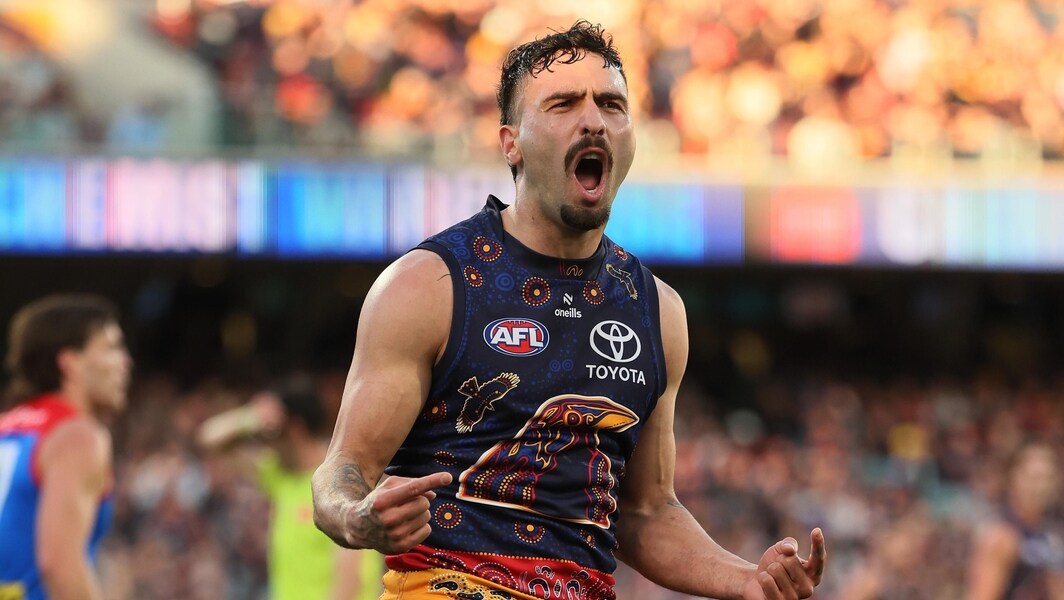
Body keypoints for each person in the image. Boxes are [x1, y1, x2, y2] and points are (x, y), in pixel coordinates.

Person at [312, 20, 827, 600]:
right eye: (563, 104)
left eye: (611, 104)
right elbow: (341, 474)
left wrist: (748, 578)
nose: (594, 121)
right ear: (510, 142)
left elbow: (646, 511)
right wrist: (356, 516)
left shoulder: (657, 311)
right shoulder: (429, 284)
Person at [196, 377, 384, 600]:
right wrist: (251, 417)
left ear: (295, 428)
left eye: (271, 432)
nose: (266, 443)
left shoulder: (341, 483)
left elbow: (350, 581)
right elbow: (208, 439)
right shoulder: (282, 478)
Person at [0, 294, 132, 600]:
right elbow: (58, 565)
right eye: (111, 348)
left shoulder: (8, 428)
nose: (125, 362)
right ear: (70, 362)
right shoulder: (78, 437)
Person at [967, 442, 1064, 599]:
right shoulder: (1001, 537)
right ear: (1013, 477)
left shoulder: (1050, 535)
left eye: (1047, 478)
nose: (1039, 487)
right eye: (1033, 478)